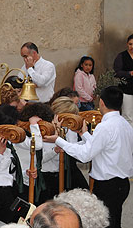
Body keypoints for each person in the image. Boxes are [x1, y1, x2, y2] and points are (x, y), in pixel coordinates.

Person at [44, 86, 133, 228]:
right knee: (115, 221)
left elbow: (86, 155)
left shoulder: (105, 126)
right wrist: (84, 134)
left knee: (105, 224)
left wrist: (58, 140)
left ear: (101, 102)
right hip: (122, 183)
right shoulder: (125, 124)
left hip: (108, 185)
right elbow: (102, 147)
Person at [113, 34, 133, 125]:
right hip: (126, 90)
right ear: (127, 44)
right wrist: (129, 73)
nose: (132, 47)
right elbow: (117, 72)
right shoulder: (121, 56)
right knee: (127, 115)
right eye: (130, 44)